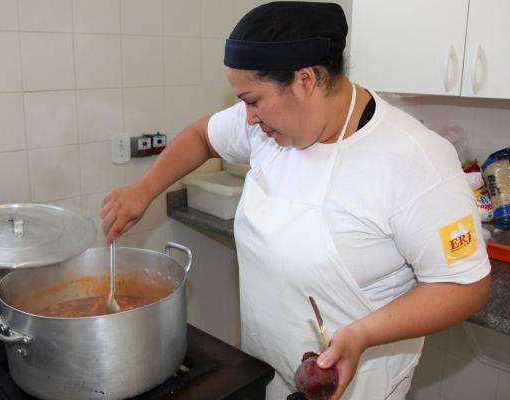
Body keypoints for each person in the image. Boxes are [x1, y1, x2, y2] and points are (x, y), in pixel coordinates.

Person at [100, 2, 491, 399]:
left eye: (253, 99)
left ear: (305, 79)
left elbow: (465, 286)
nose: (247, 116)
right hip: (265, 369)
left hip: (354, 385)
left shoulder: (414, 159)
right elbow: (204, 136)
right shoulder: (265, 125)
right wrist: (144, 189)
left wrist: (362, 334)